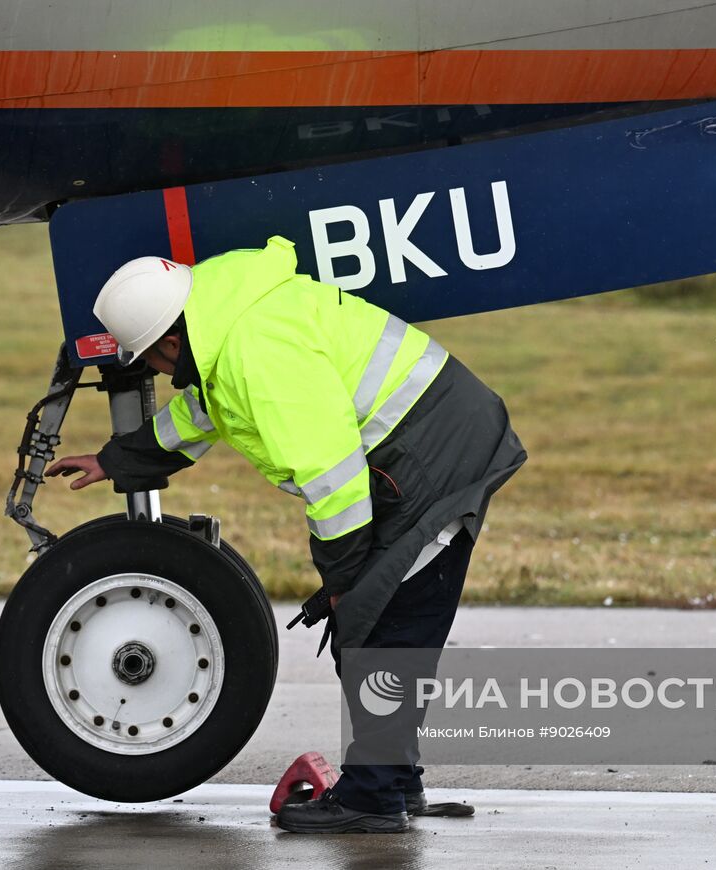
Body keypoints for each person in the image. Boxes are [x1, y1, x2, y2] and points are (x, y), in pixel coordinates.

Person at [46, 236, 525, 833]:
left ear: (170, 341)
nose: (158, 374)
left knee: (383, 627)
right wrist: (115, 460)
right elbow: (205, 412)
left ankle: (374, 800)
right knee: (376, 627)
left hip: (432, 459)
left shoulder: (258, 351)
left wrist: (343, 581)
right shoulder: (223, 323)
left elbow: (334, 479)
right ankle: (394, 783)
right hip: (420, 448)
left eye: (151, 361)